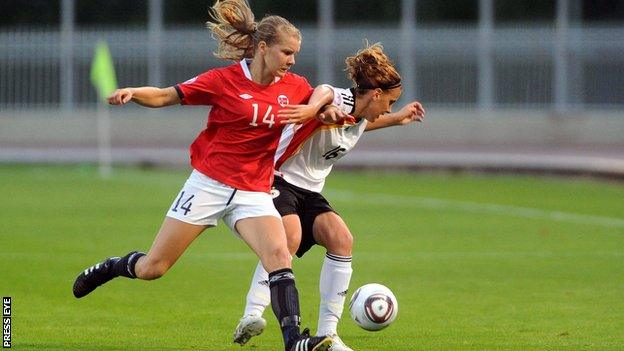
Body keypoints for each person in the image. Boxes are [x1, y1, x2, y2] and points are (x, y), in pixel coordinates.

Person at [71, 1, 335, 350]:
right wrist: (133, 93)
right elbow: (167, 95)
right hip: (208, 185)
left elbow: (328, 91)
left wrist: (319, 108)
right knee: (154, 267)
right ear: (262, 48)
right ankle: (109, 267)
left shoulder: (295, 87)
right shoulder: (223, 81)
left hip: (253, 191)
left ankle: (294, 341)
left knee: (279, 256)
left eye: (295, 54)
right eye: (287, 52)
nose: (292, 60)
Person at [232, 43, 425, 351]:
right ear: (375, 94)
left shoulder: (360, 115)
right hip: (277, 178)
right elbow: (323, 91)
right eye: (389, 102)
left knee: (341, 239)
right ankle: (252, 315)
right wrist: (314, 110)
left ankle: (329, 335)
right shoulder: (339, 99)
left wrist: (398, 118)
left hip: (309, 191)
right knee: (288, 238)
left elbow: (364, 122)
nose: (388, 108)